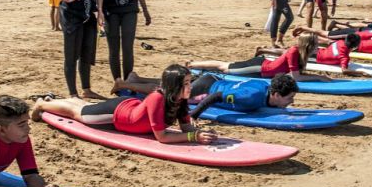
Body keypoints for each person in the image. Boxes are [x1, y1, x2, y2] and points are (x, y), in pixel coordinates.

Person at [32, 65, 218, 145]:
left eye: (189, 82)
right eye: (186, 83)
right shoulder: (157, 98)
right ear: (174, 86)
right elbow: (162, 137)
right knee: (77, 112)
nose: (190, 87)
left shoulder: (180, 99)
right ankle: (41, 105)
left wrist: (200, 133)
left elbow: (185, 127)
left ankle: (53, 101)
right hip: (117, 115)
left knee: (83, 106)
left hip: (129, 107)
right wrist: (193, 137)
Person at [112, 72, 298, 116]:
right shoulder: (251, 97)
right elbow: (215, 97)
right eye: (289, 98)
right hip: (206, 89)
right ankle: (125, 84)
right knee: (167, 93)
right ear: (276, 94)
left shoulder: (264, 86)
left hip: (211, 79)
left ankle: (136, 78)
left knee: (171, 84)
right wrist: (194, 114)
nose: (291, 102)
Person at [186, 33, 331, 82]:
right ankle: (192, 65)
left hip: (263, 64)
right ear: (308, 45)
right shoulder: (294, 51)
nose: (318, 46)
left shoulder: (301, 52)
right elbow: (296, 77)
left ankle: (193, 64)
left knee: (226, 65)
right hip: (259, 68)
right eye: (316, 44)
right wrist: (319, 77)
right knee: (224, 67)